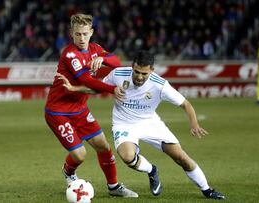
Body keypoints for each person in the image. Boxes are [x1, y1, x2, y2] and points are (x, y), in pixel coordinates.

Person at [58, 50, 226, 200]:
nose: (139, 77)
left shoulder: (160, 85)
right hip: (124, 124)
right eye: (136, 72)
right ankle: (152, 170)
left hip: (150, 123)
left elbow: (186, 104)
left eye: (144, 74)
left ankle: (208, 190)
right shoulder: (118, 74)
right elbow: (98, 89)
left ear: (152, 70)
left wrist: (194, 124)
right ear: (132, 66)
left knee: (181, 157)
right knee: (127, 156)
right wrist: (74, 88)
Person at [44, 13, 138, 198]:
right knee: (80, 155)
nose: (81, 38)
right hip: (58, 112)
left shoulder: (95, 49)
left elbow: (117, 62)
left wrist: (103, 59)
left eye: (85, 34)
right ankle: (68, 172)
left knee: (103, 146)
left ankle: (114, 187)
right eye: (78, 34)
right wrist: (112, 89)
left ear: (91, 32)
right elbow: (87, 80)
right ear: (71, 33)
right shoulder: (70, 54)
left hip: (80, 110)